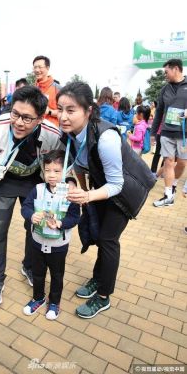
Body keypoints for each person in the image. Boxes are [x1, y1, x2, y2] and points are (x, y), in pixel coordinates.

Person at [56, 81, 155, 319]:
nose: (63, 116)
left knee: (108, 240)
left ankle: (103, 296)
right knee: (99, 235)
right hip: (101, 188)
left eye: (71, 110)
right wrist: (80, 188)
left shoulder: (106, 137)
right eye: (60, 109)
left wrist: (88, 195)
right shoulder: (72, 134)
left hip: (125, 191)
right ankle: (97, 278)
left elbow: (117, 184)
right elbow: (78, 164)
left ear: (88, 110)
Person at [0, 85, 66, 307]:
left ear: (41, 118)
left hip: (34, 182)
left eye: (27, 118)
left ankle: (29, 266)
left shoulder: (52, 135)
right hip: (2, 181)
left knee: (33, 226)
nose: (19, 122)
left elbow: (63, 165)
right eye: (15, 113)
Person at [21, 150, 80, 320]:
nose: (51, 175)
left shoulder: (71, 193)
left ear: (66, 171)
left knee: (57, 275)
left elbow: (75, 217)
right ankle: (38, 298)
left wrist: (61, 223)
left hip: (58, 247)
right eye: (47, 170)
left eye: (56, 171)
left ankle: (54, 302)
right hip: (37, 242)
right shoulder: (38, 189)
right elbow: (25, 207)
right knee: (38, 274)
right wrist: (31, 215)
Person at [151, 59, 187, 207]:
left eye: (167, 72)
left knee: (183, 163)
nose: (165, 74)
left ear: (176, 69)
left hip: (184, 133)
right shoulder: (165, 89)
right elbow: (159, 112)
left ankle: (173, 184)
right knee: (168, 162)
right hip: (166, 132)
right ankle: (168, 195)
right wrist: (153, 133)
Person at [33, 55, 61, 127]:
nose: (37, 70)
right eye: (35, 67)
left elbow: (64, 112)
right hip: (34, 129)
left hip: (51, 130)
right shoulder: (33, 88)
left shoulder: (57, 88)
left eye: (40, 67)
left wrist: (49, 111)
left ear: (47, 68)